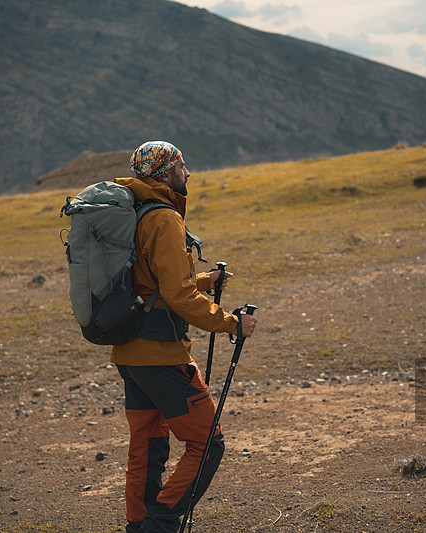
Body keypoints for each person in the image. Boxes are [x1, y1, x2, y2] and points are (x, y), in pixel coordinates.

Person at [111, 141, 257, 533]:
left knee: (148, 446)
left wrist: (205, 281)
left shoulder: (136, 211)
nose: (187, 172)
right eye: (182, 165)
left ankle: (138, 526)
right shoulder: (163, 218)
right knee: (208, 443)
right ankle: (160, 525)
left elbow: (156, 285)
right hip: (161, 354)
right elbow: (177, 296)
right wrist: (230, 322)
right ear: (166, 172)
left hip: (129, 352)